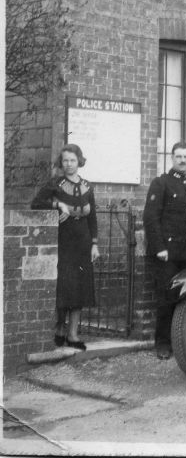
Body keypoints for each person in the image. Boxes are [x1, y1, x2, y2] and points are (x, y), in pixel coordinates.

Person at [31, 143, 100, 350]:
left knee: (80, 288)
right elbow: (35, 203)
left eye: (72, 160)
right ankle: (59, 329)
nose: (69, 164)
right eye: (65, 160)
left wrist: (94, 244)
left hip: (83, 242)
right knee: (64, 286)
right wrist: (57, 204)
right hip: (63, 241)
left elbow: (93, 218)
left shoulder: (88, 186)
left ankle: (73, 334)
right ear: (61, 163)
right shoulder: (55, 184)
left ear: (79, 161)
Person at [143, 142, 186, 360]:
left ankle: (181, 343)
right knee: (166, 299)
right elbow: (151, 218)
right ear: (171, 158)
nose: (183, 160)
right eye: (179, 156)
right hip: (167, 253)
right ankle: (163, 343)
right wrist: (159, 248)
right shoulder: (161, 183)